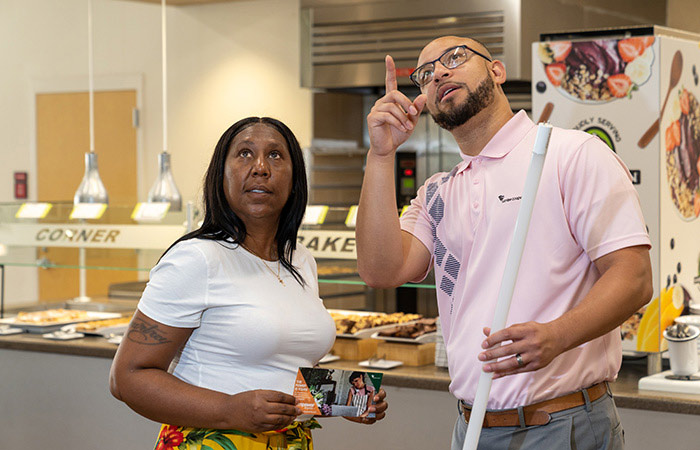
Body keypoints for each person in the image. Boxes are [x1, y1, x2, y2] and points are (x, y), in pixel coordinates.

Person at [356, 36, 652, 449]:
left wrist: (557, 336)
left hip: (562, 423)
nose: (439, 72)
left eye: (454, 57)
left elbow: (634, 277)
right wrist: (381, 155)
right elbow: (381, 270)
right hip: (471, 428)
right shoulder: (439, 191)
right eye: (425, 74)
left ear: (496, 71)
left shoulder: (571, 154)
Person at [110, 117, 387, 450]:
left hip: (290, 441)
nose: (260, 167)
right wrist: (229, 410)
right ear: (221, 175)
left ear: (295, 180)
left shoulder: (300, 261)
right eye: (244, 154)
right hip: (211, 441)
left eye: (275, 155)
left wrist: (348, 398)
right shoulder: (197, 258)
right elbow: (127, 378)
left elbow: (279, 364)